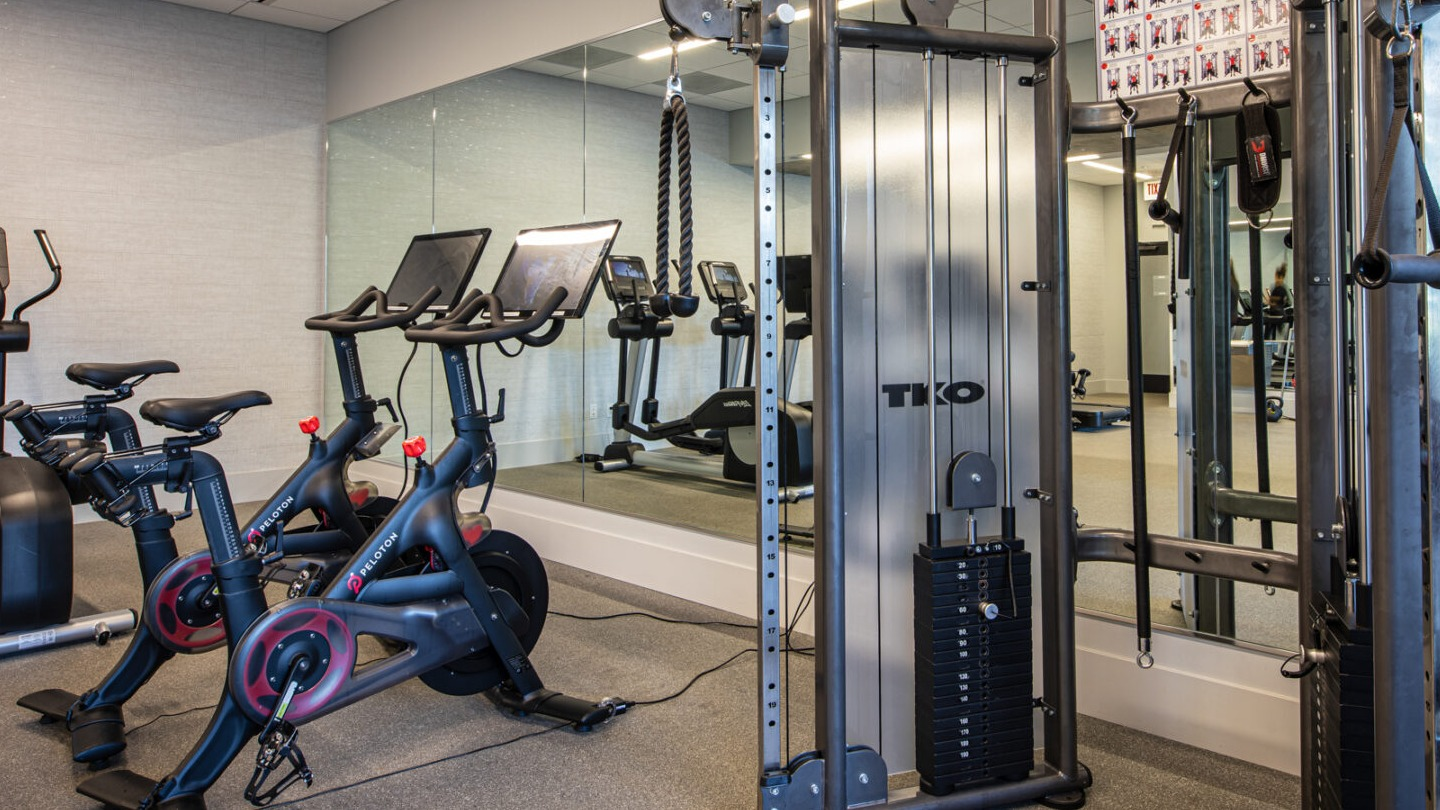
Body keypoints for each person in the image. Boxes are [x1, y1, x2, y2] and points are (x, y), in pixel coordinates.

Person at [1262, 261, 1291, 339]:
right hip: (1280, 313)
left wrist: (1268, 302)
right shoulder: (1281, 288)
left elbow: (1275, 302)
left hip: (1277, 314)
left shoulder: (1280, 289)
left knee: (1267, 334)